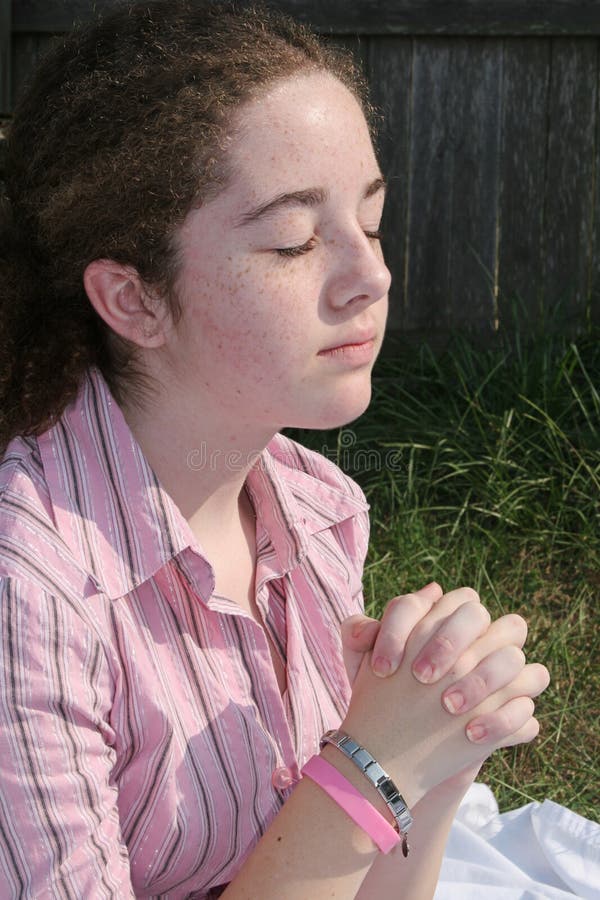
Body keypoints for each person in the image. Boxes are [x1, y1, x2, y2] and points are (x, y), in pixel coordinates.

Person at [0, 2, 550, 897]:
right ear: (134, 299)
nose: (369, 274)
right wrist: (371, 770)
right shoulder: (30, 590)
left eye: (371, 222)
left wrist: (438, 758)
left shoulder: (317, 509)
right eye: (294, 241)